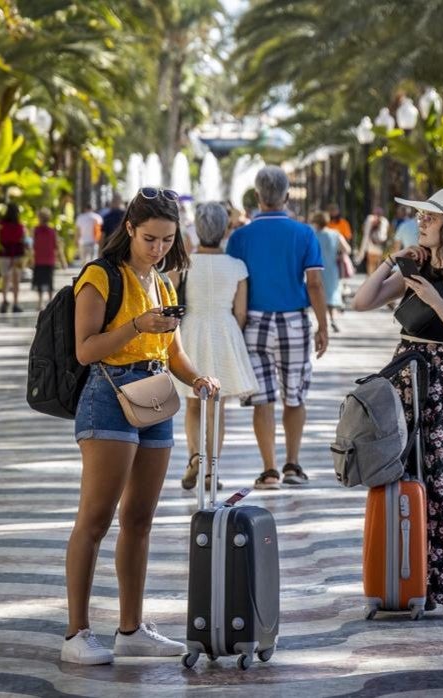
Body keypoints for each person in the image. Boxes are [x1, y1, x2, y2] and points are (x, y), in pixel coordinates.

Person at [63, 187, 220, 666]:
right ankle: (77, 634)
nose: (158, 248)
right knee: (95, 519)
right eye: (150, 238)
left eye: (168, 240)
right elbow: (86, 350)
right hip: (108, 397)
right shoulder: (100, 275)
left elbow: (171, 352)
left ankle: (131, 628)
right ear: (129, 228)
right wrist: (138, 326)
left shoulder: (163, 283)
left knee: (139, 521)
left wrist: (198, 378)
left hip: (155, 398)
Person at [351, 187, 443, 621]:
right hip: (408, 373)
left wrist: (434, 301)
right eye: (421, 217)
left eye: (430, 218)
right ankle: (417, 581)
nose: (421, 222)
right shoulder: (417, 266)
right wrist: (392, 261)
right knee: (407, 470)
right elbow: (362, 301)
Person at [225, 166, 329, 490]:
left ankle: (269, 470)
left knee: (263, 399)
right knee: (294, 396)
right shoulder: (304, 234)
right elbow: (314, 283)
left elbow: (236, 287)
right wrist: (322, 326)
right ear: (286, 196)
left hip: (254, 322)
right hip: (294, 322)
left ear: (257, 196)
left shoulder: (239, 237)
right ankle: (293, 465)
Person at [168, 202, 259, 492]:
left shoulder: (184, 263)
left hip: (191, 330)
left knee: (192, 403)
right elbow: (241, 312)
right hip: (224, 329)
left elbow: (171, 301)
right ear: (224, 230)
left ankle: (194, 456)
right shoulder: (237, 266)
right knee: (217, 407)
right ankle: (212, 471)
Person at [312, 211, 352, 333]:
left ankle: (321, 323)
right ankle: (333, 320)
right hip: (332, 269)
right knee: (331, 295)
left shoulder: (313, 235)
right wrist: (338, 254)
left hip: (317, 269)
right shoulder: (335, 234)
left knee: (320, 295)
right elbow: (347, 249)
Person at [32, 208, 67, 307]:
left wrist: (30, 258)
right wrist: (63, 261)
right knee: (49, 281)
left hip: (39, 259)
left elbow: (33, 245)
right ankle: (50, 301)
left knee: (39, 281)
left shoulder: (36, 230)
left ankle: (40, 302)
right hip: (49, 259)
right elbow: (57, 247)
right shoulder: (52, 231)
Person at [0, 203, 28, 313]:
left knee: (5, 278)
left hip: (4, 253)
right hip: (18, 255)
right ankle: (15, 303)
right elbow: (24, 240)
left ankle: (4, 300)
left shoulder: (0, 225)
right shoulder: (20, 226)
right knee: (16, 280)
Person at [357, 206, 390, 272]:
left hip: (372, 246)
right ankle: (375, 280)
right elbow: (384, 236)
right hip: (378, 247)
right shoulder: (384, 221)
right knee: (377, 265)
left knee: (371, 265)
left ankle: (371, 279)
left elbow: (365, 231)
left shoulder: (370, 219)